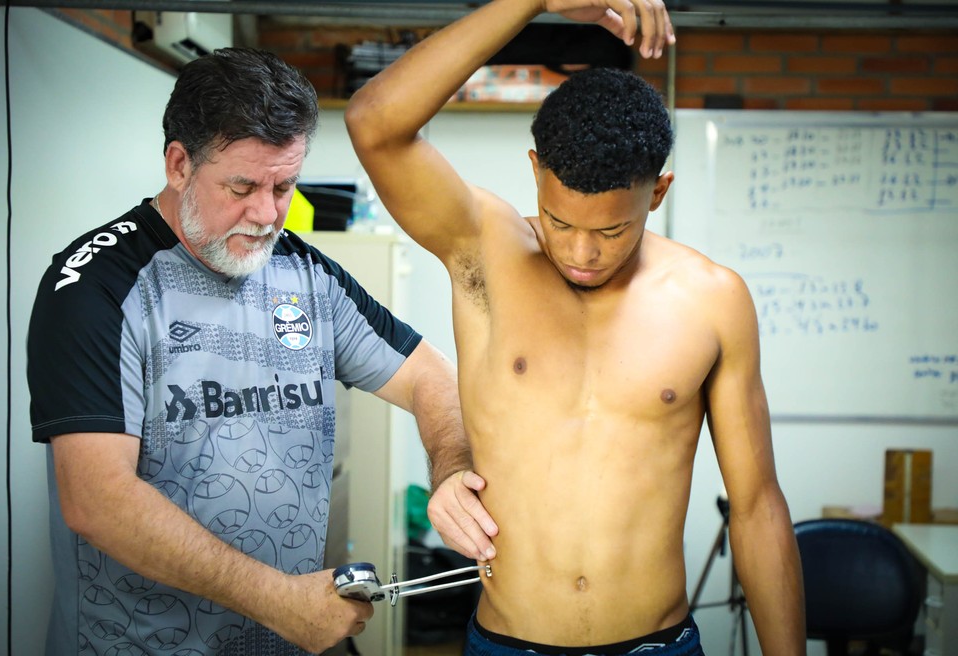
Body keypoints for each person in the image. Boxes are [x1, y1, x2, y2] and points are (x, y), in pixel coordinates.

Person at [345, 0, 807, 654]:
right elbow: (375, 123)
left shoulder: (713, 299)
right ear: (535, 172)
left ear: (658, 193)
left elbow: (757, 507)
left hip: (659, 645)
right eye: (560, 222)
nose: (581, 254)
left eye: (611, 230)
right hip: (509, 642)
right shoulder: (483, 251)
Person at [26, 47, 498, 656]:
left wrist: (453, 469)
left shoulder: (305, 275)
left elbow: (431, 379)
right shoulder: (96, 287)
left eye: (285, 185)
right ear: (178, 164)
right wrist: (279, 600)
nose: (268, 213)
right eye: (243, 186)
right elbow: (97, 500)